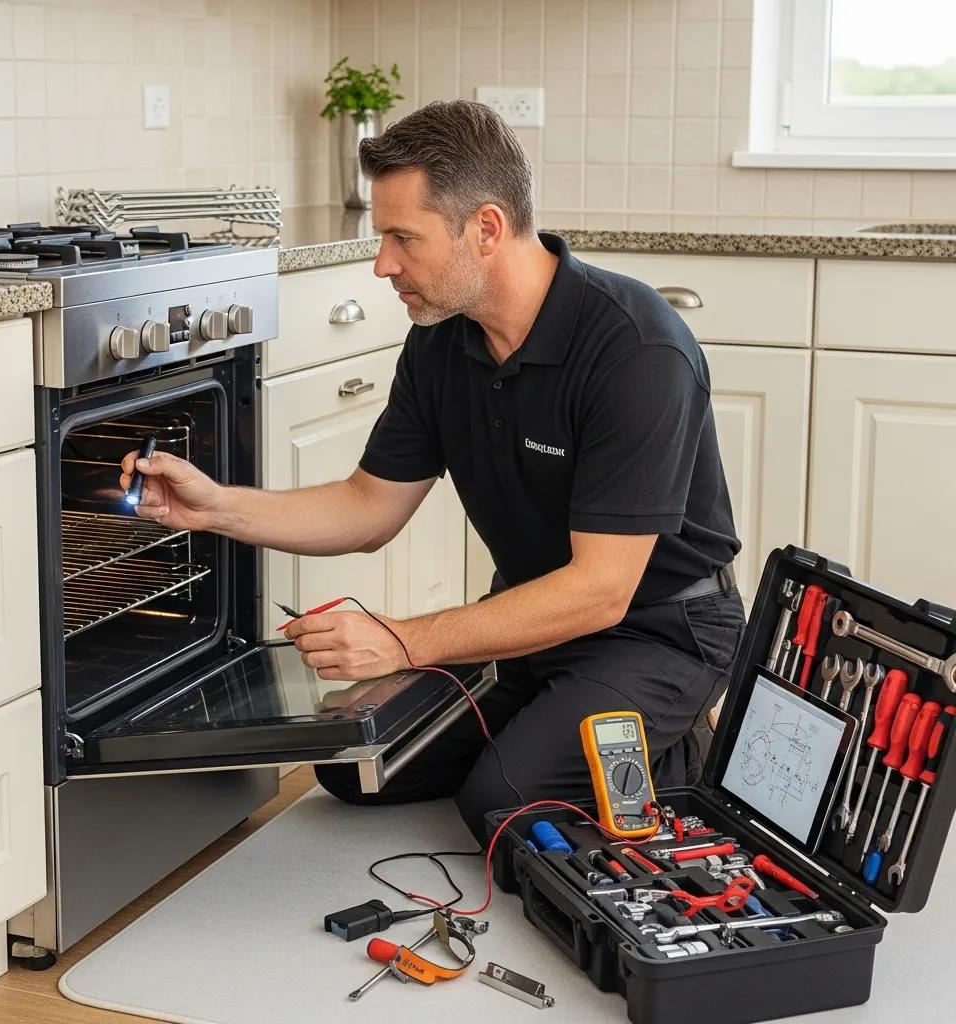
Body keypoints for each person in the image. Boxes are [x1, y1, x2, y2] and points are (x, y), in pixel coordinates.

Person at [119, 99, 745, 844]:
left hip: (660, 632)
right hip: (530, 622)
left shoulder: (635, 349)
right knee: (356, 766)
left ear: (485, 228)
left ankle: (683, 757)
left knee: (501, 803)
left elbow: (602, 590)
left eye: (401, 238)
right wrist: (216, 507)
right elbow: (367, 507)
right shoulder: (443, 343)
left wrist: (405, 641)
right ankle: (560, 727)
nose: (383, 263)